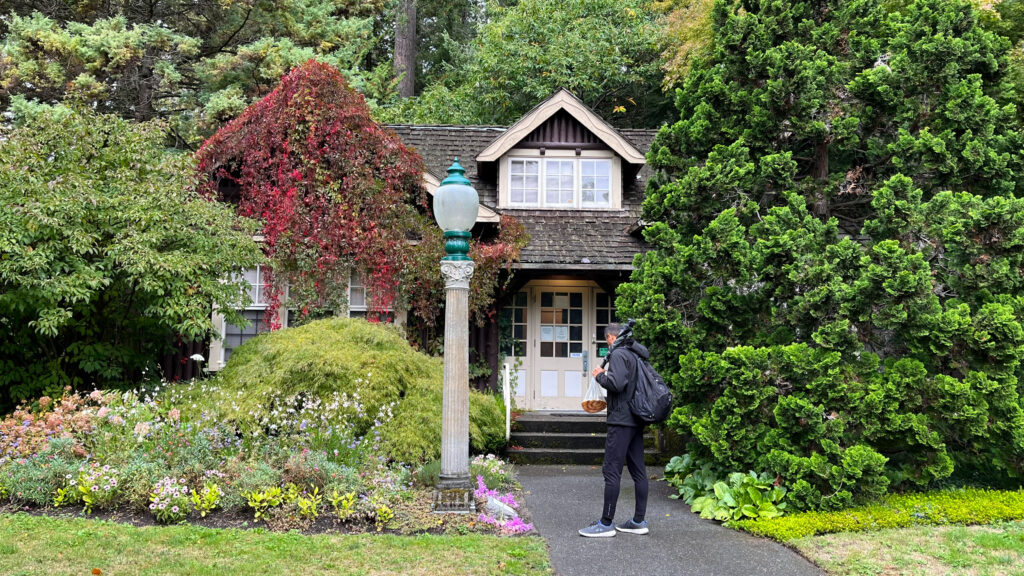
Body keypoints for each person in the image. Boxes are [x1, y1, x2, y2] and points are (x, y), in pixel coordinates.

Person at [578, 322, 650, 537]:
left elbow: (617, 384)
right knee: (639, 472)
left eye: (607, 340)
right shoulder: (636, 355)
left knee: (611, 471)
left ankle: (606, 523)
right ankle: (638, 521)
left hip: (621, 421)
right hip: (637, 418)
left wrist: (600, 375)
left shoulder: (618, 354)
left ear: (610, 338)